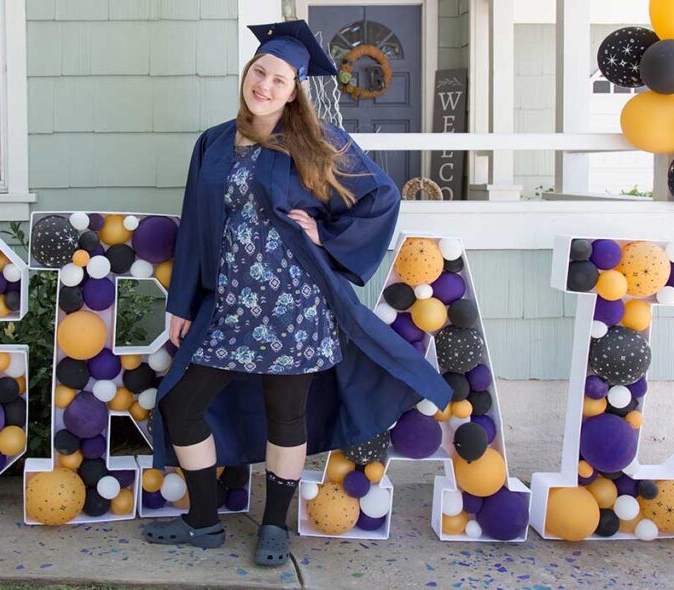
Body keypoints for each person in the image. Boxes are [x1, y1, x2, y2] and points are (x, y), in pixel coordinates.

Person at [143, 20, 452, 566]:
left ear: (293, 91)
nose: (264, 85)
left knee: (287, 418)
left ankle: (274, 528)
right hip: (230, 307)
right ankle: (204, 520)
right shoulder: (212, 143)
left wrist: (326, 235)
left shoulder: (318, 141)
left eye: (279, 80)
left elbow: (380, 197)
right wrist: (182, 302)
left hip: (295, 305)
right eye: (259, 72)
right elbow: (195, 224)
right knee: (182, 406)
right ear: (247, 74)